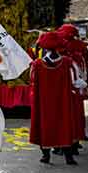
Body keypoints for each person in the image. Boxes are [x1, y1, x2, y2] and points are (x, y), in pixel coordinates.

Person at [30, 32, 79, 165]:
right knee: (64, 125)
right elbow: (76, 82)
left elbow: (32, 82)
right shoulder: (67, 62)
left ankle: (46, 155)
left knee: (45, 126)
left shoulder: (36, 64)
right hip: (63, 101)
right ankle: (68, 157)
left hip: (44, 103)